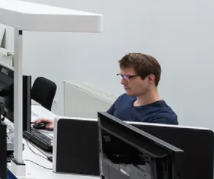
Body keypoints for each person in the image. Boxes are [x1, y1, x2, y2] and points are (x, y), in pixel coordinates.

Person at [34, 53, 177, 131]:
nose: (122, 82)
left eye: (129, 77)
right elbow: (100, 127)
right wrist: (63, 125)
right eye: (122, 77)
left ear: (150, 79)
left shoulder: (162, 120)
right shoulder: (125, 99)